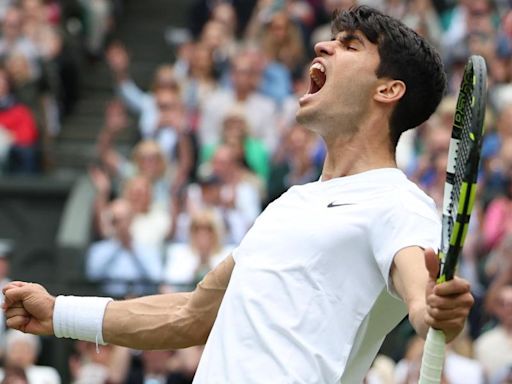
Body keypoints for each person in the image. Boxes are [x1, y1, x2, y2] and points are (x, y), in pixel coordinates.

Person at [3, 6, 474, 383]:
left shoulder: (400, 203)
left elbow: (422, 293)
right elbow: (190, 314)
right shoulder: (288, 205)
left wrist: (435, 309)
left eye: (349, 46)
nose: (322, 45)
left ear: (388, 90)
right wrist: (61, 312)